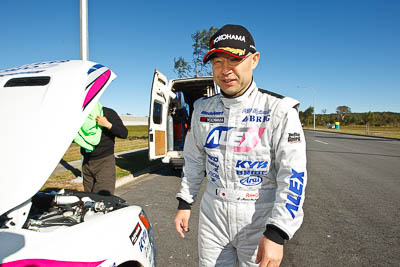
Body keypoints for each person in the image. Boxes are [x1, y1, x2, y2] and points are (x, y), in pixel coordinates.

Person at [174, 24, 307, 267]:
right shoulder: (202, 109)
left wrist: (277, 232)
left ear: (254, 60)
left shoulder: (280, 110)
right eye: (217, 62)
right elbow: (194, 160)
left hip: (259, 216)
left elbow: (293, 175)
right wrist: (185, 202)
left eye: (234, 59)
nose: (225, 70)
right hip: (212, 216)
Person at [81, 106, 128, 195]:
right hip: (86, 163)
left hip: (104, 162)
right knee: (87, 199)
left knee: (103, 200)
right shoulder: (81, 114)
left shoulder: (107, 112)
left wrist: (107, 124)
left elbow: (124, 133)